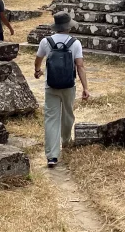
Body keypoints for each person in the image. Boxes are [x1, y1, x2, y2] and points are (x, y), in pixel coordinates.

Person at [34, 10, 89, 167]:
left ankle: (52, 155)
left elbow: (38, 59)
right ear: (68, 26)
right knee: (68, 114)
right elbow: (80, 66)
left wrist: (37, 71)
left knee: (51, 118)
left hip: (50, 85)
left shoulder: (46, 42)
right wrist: (85, 87)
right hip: (68, 85)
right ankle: (66, 140)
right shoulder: (75, 43)